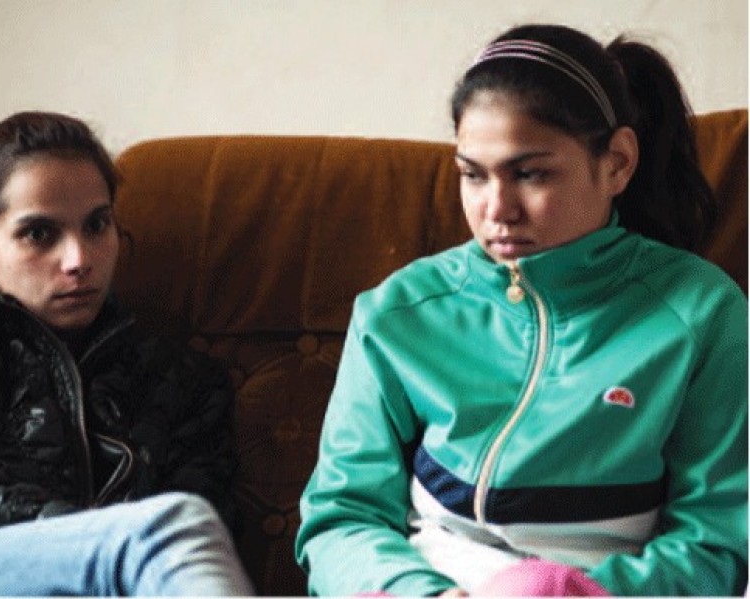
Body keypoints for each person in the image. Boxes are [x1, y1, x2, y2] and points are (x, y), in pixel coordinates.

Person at [295, 23, 747, 597]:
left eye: (530, 174)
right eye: (473, 175)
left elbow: (719, 541)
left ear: (617, 163)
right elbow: (341, 518)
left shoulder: (703, 314)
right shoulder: (397, 313)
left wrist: (566, 593)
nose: (497, 210)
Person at [0, 111, 254, 595]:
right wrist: (95, 545)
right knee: (171, 530)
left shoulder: (183, 381)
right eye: (39, 234)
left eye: (97, 225)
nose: (79, 260)